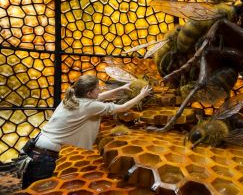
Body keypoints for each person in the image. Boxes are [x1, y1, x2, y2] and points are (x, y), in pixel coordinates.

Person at [21, 74, 152, 189]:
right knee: (39, 190)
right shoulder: (89, 106)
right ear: (89, 93)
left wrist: (121, 88)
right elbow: (123, 107)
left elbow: (99, 97)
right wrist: (141, 95)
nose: (99, 89)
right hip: (44, 157)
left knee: (30, 188)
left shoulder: (71, 97)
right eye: (97, 87)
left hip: (35, 147)